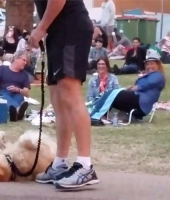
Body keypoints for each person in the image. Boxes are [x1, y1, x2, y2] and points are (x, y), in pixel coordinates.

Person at [31, 0, 100, 190]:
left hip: (72, 29)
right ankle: (60, 163)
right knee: (58, 98)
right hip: (58, 32)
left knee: (70, 93)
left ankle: (85, 166)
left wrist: (40, 29)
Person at [111, 49, 165, 118]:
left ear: (158, 65)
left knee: (116, 94)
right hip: (138, 101)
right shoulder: (147, 76)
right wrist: (132, 87)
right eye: (147, 64)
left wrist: (137, 87)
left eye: (152, 64)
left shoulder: (158, 75)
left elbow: (149, 83)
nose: (149, 66)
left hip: (141, 104)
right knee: (113, 93)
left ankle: (100, 113)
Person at [0, 50, 30, 122]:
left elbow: (27, 93)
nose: (25, 63)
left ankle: (14, 113)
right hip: (3, 92)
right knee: (5, 96)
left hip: (17, 94)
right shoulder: (2, 68)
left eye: (26, 61)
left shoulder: (25, 74)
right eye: (24, 60)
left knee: (19, 97)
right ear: (16, 58)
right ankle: (18, 110)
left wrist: (18, 90)